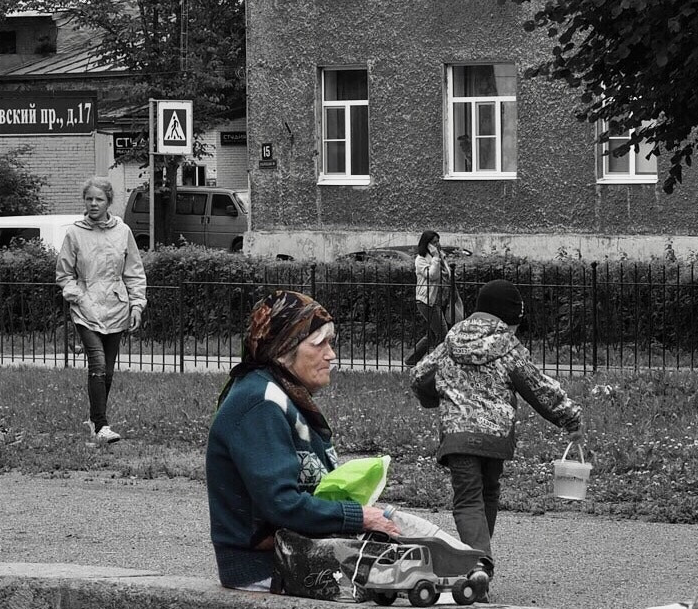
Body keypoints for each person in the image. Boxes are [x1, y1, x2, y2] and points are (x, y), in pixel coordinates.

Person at [206, 290, 401, 590]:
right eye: (319, 343)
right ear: (284, 348)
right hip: (267, 571)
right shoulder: (260, 403)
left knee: (407, 537)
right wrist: (358, 517)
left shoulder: (280, 394)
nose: (331, 354)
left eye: (331, 343)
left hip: (295, 560)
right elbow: (283, 505)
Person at [410, 278, 582, 566]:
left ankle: (477, 560)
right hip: (495, 438)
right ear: (510, 317)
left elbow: (419, 375)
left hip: (458, 435)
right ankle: (479, 559)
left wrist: (434, 396)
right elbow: (538, 387)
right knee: (488, 492)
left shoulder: (452, 339)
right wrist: (570, 418)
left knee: (467, 499)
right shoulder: (508, 345)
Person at [55, 176, 147, 444]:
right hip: (86, 310)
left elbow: (134, 273)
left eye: (99, 199)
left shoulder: (123, 232)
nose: (93, 204)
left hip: (116, 308)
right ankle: (101, 425)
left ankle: (95, 420)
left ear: (109, 202)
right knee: (96, 363)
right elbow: (64, 274)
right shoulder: (74, 233)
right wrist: (78, 296)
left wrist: (137, 304)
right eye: (89, 199)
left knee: (107, 370)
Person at [408, 229, 450, 367]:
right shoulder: (421, 260)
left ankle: (411, 360)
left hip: (440, 299)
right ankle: (437, 363)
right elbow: (432, 276)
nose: (437, 245)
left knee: (433, 333)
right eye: (433, 242)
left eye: (438, 242)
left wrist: (439, 258)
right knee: (443, 333)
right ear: (426, 244)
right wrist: (436, 258)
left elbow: (448, 274)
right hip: (426, 301)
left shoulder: (440, 257)